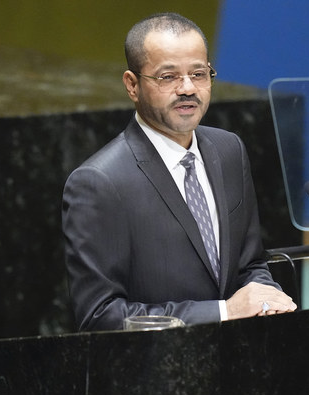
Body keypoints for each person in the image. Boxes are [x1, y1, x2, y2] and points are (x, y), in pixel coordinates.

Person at [62, 12, 296, 331]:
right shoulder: (99, 182)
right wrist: (223, 312)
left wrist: (269, 301)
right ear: (132, 85)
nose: (187, 88)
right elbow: (100, 316)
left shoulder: (229, 150)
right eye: (168, 77)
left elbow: (251, 263)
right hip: (157, 372)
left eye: (199, 74)